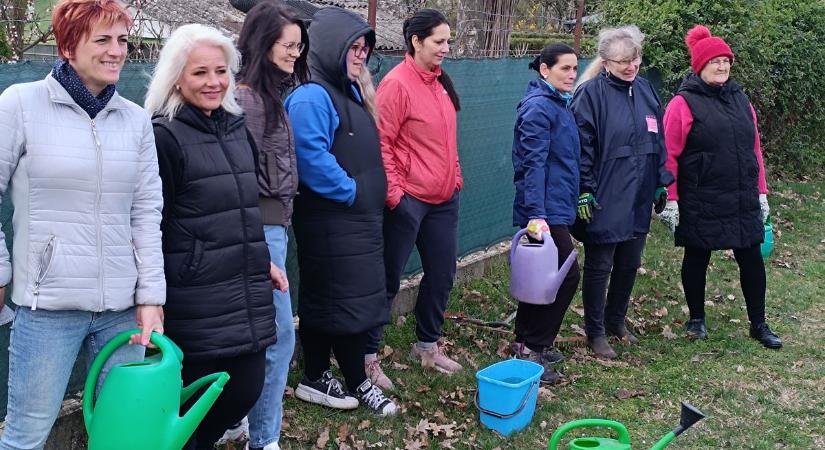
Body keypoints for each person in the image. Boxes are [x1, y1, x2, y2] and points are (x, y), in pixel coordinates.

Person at [0, 0, 165, 448]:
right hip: (47, 310)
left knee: (123, 435)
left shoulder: (134, 120)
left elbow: (146, 212)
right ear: (69, 46)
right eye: (103, 40)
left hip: (122, 311)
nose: (117, 51)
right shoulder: (21, 104)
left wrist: (151, 296)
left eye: (123, 40)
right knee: (26, 436)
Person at [144, 23, 286, 449]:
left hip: (244, 287)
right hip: (196, 296)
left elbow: (242, 208)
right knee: (196, 408)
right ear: (176, 78)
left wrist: (260, 258)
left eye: (221, 71)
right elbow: (151, 222)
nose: (213, 82)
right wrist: (153, 295)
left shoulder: (236, 127)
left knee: (245, 389)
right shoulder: (164, 136)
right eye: (200, 72)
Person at [284, 7, 397, 416]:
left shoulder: (347, 92)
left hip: (357, 221)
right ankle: (333, 378)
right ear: (330, 46)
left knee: (351, 300)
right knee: (338, 301)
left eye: (365, 48)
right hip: (331, 220)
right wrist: (352, 192)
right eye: (354, 47)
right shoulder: (311, 95)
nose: (361, 55)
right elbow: (310, 157)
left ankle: (335, 377)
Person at [659, 25, 781, 349]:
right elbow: (668, 154)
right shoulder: (682, 103)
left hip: (741, 195)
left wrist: (761, 192)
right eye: (716, 61)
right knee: (697, 256)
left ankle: (759, 323)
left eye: (726, 61)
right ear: (700, 65)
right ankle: (696, 320)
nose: (723, 66)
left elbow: (754, 149)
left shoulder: (742, 100)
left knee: (751, 257)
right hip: (701, 196)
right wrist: (671, 197)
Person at [368, 8, 464, 389]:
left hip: (444, 200)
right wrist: (396, 196)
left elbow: (447, 139)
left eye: (448, 41)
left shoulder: (440, 82)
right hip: (408, 201)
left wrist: (455, 176)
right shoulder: (396, 85)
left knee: (442, 274)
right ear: (416, 41)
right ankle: (367, 356)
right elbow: (381, 143)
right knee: (387, 278)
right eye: (439, 41)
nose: (446, 48)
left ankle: (427, 346)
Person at [570, 25, 674, 359]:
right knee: (600, 264)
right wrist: (584, 190)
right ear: (605, 62)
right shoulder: (590, 95)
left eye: (635, 59)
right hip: (606, 193)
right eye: (623, 62)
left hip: (639, 194)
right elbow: (581, 148)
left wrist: (661, 180)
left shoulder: (645, 90)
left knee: (630, 262)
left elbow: (658, 139)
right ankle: (595, 331)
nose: (631, 67)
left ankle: (616, 321)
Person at [233, 3, 309, 449]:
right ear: (263, 44)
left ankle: (236, 424)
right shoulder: (250, 100)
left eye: (299, 46)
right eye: (288, 45)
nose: (296, 54)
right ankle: (264, 439)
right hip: (261, 231)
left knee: (257, 336)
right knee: (278, 337)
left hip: (272, 228)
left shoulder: (270, 95)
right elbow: (240, 176)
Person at [509, 44, 582, 384]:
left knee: (541, 276)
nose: (572, 74)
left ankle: (524, 342)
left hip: (555, 204)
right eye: (565, 68)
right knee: (565, 275)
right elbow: (532, 164)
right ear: (544, 70)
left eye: (575, 68)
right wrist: (536, 214)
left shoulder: (559, 104)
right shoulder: (539, 108)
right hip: (544, 210)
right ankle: (533, 347)